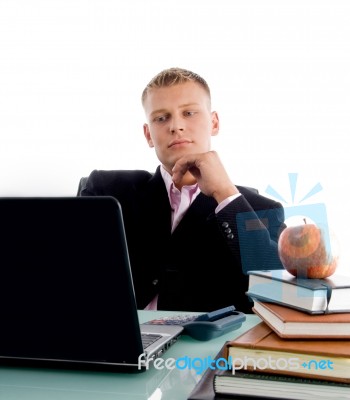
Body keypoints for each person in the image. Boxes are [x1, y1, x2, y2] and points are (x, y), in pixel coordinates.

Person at [79, 67, 285, 313]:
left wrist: (225, 194)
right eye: (161, 118)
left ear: (214, 123)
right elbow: (71, 270)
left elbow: (276, 291)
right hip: (115, 341)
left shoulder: (256, 209)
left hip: (203, 348)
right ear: (148, 134)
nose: (176, 126)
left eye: (189, 113)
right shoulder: (106, 190)